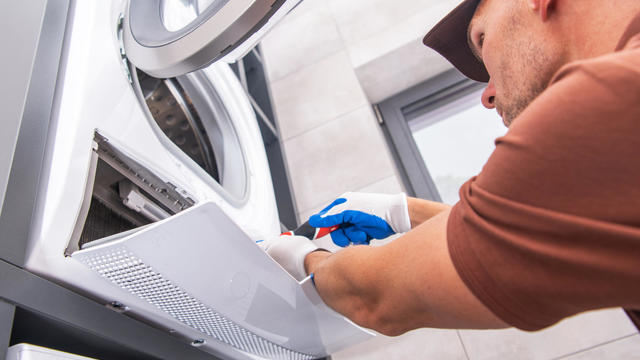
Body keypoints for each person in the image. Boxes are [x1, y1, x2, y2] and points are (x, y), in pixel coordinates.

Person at [261, 0, 640, 335]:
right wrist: (403, 212)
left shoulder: (606, 104)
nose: (488, 95)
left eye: (480, 38)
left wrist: (297, 257)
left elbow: (375, 300)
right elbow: (538, 240)